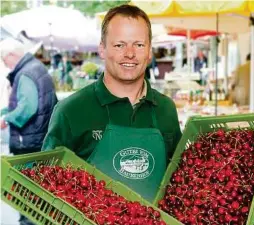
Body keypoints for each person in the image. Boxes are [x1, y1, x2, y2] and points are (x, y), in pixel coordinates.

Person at [42, 4, 182, 202]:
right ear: (102, 49)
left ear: (150, 51)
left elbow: (181, 181)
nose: (130, 54)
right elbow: (47, 189)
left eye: (139, 45)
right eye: (119, 45)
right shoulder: (71, 111)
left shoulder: (166, 109)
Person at [0, 38, 58, 225]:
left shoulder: (25, 73)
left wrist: (5, 119)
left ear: (11, 55)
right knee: (37, 189)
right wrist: (5, 112)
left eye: (3, 58)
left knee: (27, 192)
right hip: (40, 139)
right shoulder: (36, 68)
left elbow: (28, 108)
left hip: (29, 143)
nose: (4, 63)